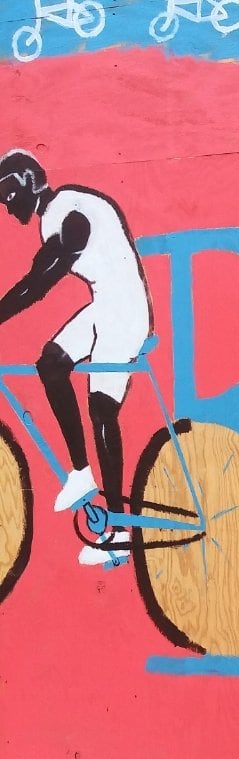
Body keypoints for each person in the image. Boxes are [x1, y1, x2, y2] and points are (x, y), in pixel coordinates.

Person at [0, 148, 153, 566]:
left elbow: (40, 281)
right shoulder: (55, 217)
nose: (8, 209)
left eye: (10, 197)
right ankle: (81, 474)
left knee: (101, 410)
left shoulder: (71, 213)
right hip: (106, 305)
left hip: (126, 312)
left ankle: (120, 529)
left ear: (31, 184)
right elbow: (37, 274)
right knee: (51, 363)